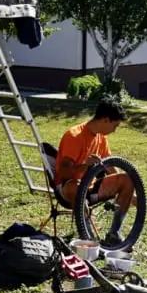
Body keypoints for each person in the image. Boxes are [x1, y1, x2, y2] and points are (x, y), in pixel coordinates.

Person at [55, 97, 135, 247]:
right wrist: (85, 165)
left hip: (90, 187)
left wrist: (129, 193)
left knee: (127, 179)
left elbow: (111, 168)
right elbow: (64, 173)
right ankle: (88, 238)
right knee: (77, 187)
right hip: (69, 187)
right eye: (115, 126)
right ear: (105, 120)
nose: (115, 130)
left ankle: (114, 233)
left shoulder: (101, 138)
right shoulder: (74, 136)